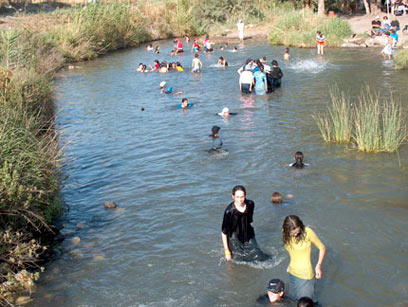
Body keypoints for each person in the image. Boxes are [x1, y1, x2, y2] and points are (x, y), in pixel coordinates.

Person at [282, 215, 326, 302]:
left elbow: (322, 248)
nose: (295, 234)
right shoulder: (285, 232)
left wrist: (318, 265)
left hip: (305, 276)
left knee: (306, 303)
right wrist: (289, 266)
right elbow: (293, 251)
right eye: (292, 233)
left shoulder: (307, 232)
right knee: (294, 301)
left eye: (297, 232)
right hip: (292, 273)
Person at [221, 186, 269, 262]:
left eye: (242, 197)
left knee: (259, 256)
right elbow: (224, 232)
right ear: (233, 196)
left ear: (245, 196)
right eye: (237, 197)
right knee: (240, 260)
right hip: (234, 237)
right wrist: (226, 250)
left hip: (248, 234)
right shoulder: (229, 211)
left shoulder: (250, 204)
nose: (240, 200)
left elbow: (249, 220)